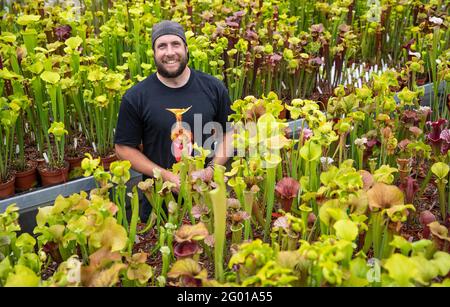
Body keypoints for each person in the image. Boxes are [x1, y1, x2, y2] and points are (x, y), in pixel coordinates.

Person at [114, 20, 233, 221]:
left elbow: (229, 132)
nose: (169, 52)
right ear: (153, 53)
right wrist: (166, 176)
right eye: (162, 46)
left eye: (175, 44)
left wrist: (211, 170)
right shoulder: (136, 97)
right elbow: (123, 149)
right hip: (158, 204)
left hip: (208, 197)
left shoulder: (213, 87)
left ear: (186, 48)